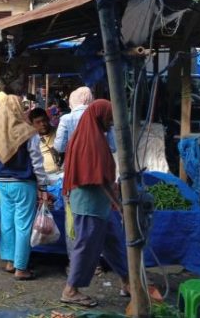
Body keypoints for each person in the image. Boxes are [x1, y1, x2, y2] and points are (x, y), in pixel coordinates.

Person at [60, 99, 128, 308]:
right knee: (86, 247)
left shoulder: (93, 134)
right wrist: (118, 203)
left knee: (114, 242)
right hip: (90, 204)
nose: (110, 122)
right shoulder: (91, 140)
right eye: (108, 117)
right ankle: (70, 290)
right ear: (100, 116)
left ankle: (128, 281)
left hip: (99, 204)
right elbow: (98, 177)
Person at [0, 93, 49, 281]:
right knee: (23, 225)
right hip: (23, 184)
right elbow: (37, 161)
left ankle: (10, 262)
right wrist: (43, 185)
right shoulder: (28, 132)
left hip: (2, 184)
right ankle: (21, 267)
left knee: (8, 222)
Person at [54, 87, 116, 164]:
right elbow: (113, 147)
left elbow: (59, 147)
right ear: (91, 99)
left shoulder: (65, 119)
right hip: (99, 165)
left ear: (72, 102)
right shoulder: (102, 118)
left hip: (75, 165)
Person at [29, 108, 62, 177]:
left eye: (44, 120)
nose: (42, 124)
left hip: (61, 174)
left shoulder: (59, 133)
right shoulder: (30, 140)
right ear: (32, 124)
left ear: (48, 119)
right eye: (38, 122)